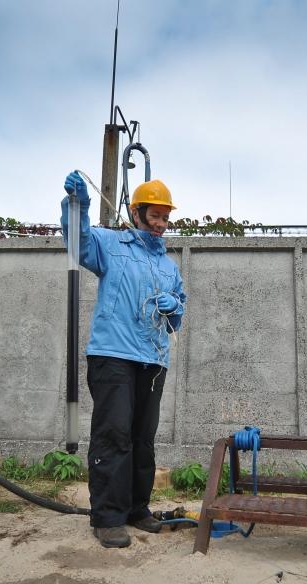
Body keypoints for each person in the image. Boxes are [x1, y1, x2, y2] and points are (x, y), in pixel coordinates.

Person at [60, 170, 187, 549]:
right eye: (155, 216)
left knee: (141, 439)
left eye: (166, 218)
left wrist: (174, 305)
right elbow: (76, 242)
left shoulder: (169, 266)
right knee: (113, 435)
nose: (161, 224)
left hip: (153, 358)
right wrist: (77, 206)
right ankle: (108, 517)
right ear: (137, 214)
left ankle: (136, 508)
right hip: (112, 354)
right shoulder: (110, 244)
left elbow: (179, 311)